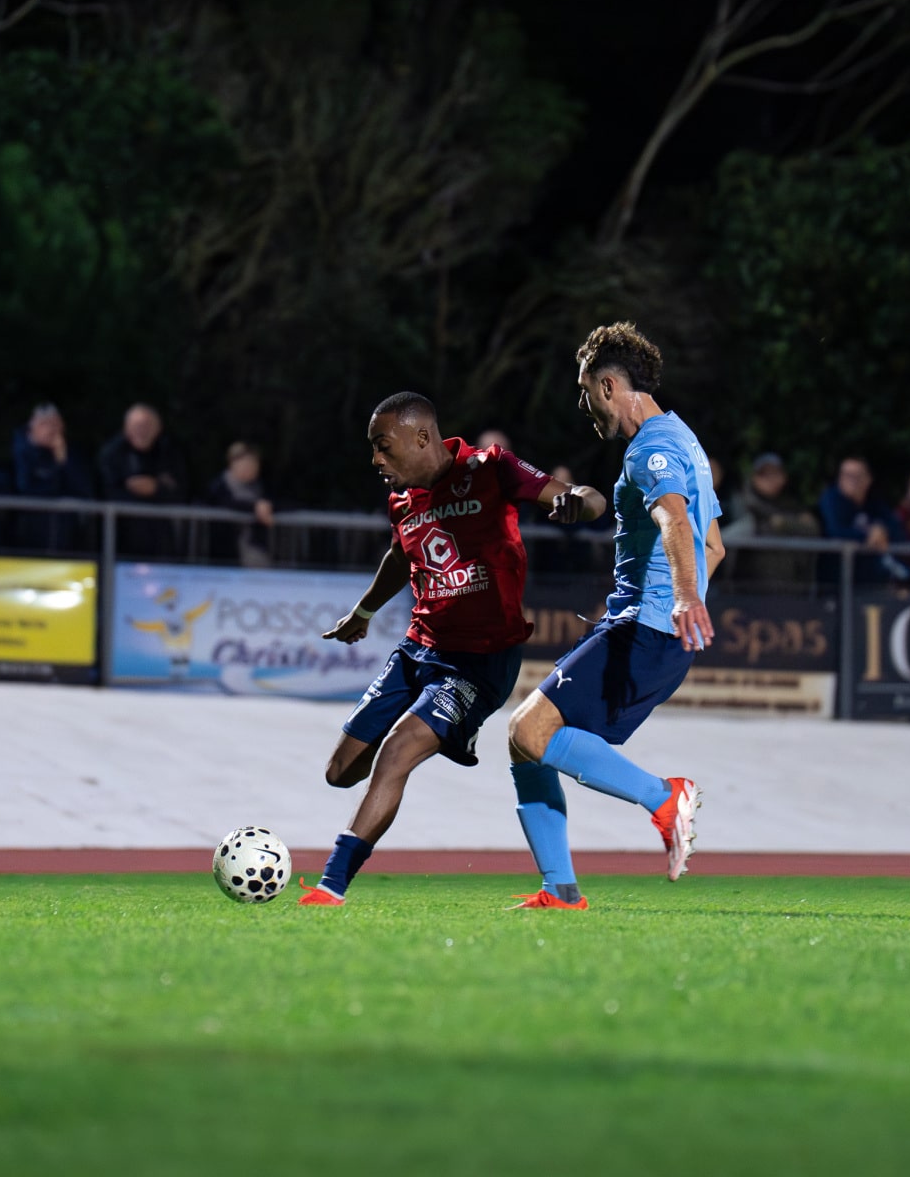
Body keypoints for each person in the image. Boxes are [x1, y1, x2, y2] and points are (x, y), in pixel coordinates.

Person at [296, 391, 607, 906]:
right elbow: (399, 558)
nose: (375, 459)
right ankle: (442, 728)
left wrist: (580, 503)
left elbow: (584, 496)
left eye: (383, 446)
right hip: (417, 650)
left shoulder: (491, 468)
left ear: (422, 437)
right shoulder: (402, 499)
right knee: (340, 772)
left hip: (479, 661)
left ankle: (331, 886)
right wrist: (363, 613)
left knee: (396, 753)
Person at [505, 321, 725, 909]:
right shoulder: (686, 440)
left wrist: (681, 597)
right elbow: (714, 546)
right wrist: (682, 598)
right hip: (655, 631)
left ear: (608, 386)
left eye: (585, 392)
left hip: (647, 629)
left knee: (527, 730)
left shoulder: (651, 448)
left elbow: (673, 517)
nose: (585, 407)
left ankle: (664, 797)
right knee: (527, 743)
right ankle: (560, 888)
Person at [97, 403, 188, 558]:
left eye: (147, 425)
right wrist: (136, 492)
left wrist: (156, 489)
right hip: (120, 541)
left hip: (161, 543)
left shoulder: (169, 452)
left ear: (158, 428)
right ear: (126, 428)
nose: (142, 431)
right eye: (137, 425)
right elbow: (105, 492)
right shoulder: (111, 453)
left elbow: (182, 491)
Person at [719, 452, 819, 589]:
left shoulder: (791, 504)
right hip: (747, 588)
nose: (771, 480)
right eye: (764, 475)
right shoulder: (741, 504)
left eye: (775, 474)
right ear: (754, 477)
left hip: (789, 586)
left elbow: (812, 529)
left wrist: (783, 523)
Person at [11, 403, 94, 552]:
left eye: (55, 425)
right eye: (45, 424)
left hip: (66, 534)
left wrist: (63, 459)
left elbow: (84, 489)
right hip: (30, 531)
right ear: (32, 426)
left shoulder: (70, 452)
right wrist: (57, 482)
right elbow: (25, 488)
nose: (51, 430)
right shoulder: (21, 451)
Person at [817, 456, 907, 585]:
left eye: (856, 476)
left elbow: (896, 528)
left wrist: (883, 530)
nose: (851, 480)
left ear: (868, 479)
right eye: (846, 475)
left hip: (870, 581)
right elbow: (834, 531)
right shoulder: (830, 499)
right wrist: (868, 536)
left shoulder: (874, 501)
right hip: (835, 581)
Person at [206, 442, 275, 567]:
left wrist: (267, 507)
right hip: (224, 552)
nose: (250, 467)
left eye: (253, 463)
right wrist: (255, 507)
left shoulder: (260, 487)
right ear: (233, 463)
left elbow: (277, 503)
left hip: (254, 550)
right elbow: (225, 504)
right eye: (246, 463)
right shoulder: (219, 486)